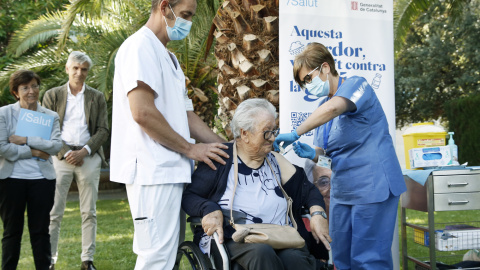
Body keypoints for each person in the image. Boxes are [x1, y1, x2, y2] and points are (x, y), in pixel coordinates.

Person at [110, 0, 228, 269]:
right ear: (164, 7)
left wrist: (228, 146)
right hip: (151, 172)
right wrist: (190, 149)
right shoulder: (139, 47)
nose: (188, 22)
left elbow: (187, 116)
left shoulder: (170, 58)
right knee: (156, 257)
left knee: (170, 255)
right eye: (185, 14)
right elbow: (142, 112)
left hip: (171, 171)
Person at [274, 42, 407, 270]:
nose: (307, 87)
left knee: (369, 260)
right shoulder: (323, 106)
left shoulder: (357, 85)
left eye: (308, 79)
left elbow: (334, 108)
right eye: (303, 84)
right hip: (343, 192)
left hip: (373, 186)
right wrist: (314, 156)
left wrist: (296, 133)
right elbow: (329, 160)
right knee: (342, 257)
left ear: (325, 68)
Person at [182, 98, 331, 270]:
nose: (273, 138)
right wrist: (208, 209)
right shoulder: (220, 159)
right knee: (261, 253)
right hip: (236, 237)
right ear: (244, 134)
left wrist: (318, 213)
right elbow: (190, 196)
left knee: (295, 258)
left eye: (274, 131)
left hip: (279, 236)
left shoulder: (275, 161)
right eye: (267, 132)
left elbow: (308, 190)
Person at [43, 51, 109, 270]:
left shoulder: (96, 97)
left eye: (84, 69)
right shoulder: (52, 95)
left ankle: (87, 260)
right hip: (59, 158)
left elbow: (103, 129)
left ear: (87, 71)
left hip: (88, 158)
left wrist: (85, 151)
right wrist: (65, 152)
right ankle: (49, 260)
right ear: (67, 69)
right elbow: (48, 129)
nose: (79, 73)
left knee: (89, 212)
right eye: (75, 68)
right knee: (54, 212)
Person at [0, 70, 62, 270]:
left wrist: (26, 140)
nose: (31, 91)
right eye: (25, 87)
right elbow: (2, 148)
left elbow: (54, 147)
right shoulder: (4, 114)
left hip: (42, 181)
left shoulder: (50, 116)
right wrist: (34, 151)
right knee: (11, 232)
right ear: (16, 92)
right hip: (11, 180)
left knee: (40, 231)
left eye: (34, 86)